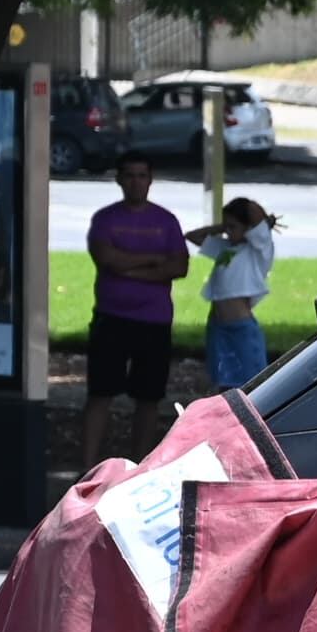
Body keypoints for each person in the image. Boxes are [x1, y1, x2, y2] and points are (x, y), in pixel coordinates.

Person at [81, 156, 188, 468]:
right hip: (111, 318)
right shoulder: (105, 218)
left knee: (149, 397)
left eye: (142, 175)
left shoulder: (166, 221)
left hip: (154, 322)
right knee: (100, 394)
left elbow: (179, 266)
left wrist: (127, 266)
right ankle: (86, 469)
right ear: (118, 179)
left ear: (150, 179)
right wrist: (153, 260)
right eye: (129, 175)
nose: (136, 182)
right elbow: (106, 259)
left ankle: (139, 467)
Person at [192, 197, 282, 393]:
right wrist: (221, 227)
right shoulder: (225, 246)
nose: (228, 232)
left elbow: (252, 209)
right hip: (217, 326)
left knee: (250, 385)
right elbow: (192, 236)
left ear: (248, 229)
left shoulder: (259, 249)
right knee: (222, 383)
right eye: (227, 227)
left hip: (241, 328)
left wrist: (264, 223)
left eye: (233, 227)